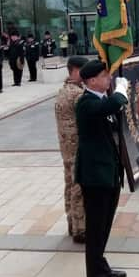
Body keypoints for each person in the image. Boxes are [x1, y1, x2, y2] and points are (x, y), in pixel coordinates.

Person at [75, 60, 129, 277]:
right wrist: (121, 91)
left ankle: (101, 266)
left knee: (105, 226)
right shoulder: (86, 103)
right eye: (105, 76)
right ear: (92, 81)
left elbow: (114, 116)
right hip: (95, 176)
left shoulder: (101, 101)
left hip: (108, 172)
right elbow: (113, 105)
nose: (109, 79)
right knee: (96, 228)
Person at [55, 56, 89, 244]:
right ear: (76, 71)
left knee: (69, 184)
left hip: (66, 148)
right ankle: (80, 229)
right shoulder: (76, 94)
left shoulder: (63, 90)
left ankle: (71, 222)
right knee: (79, 188)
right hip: (76, 148)